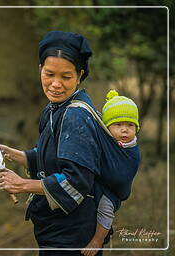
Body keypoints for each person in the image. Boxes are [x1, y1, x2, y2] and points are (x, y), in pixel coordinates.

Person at [0, 31, 140, 256]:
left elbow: (76, 181)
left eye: (66, 77)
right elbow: (52, 157)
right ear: (39, 68)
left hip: (73, 234)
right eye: (49, 74)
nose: (55, 84)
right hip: (56, 229)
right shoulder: (55, 108)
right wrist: (14, 154)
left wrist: (22, 184)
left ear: (80, 75)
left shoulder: (75, 115)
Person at [81, 90, 140, 256]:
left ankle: (97, 240)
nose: (125, 130)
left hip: (112, 192)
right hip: (98, 183)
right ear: (107, 128)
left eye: (130, 125)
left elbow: (123, 170)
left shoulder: (130, 148)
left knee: (105, 209)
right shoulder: (106, 140)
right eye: (118, 125)